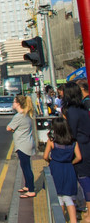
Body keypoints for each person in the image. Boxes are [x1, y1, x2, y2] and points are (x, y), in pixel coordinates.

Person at [43, 117, 82, 223]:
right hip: (69, 169)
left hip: (56, 168)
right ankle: (73, 220)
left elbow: (45, 156)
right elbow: (79, 157)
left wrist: (51, 161)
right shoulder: (73, 141)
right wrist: (70, 162)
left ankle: (61, 220)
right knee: (69, 198)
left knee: (58, 197)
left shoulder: (52, 141)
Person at [62, 80, 90, 221]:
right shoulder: (83, 108)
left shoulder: (72, 111)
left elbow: (71, 133)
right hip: (87, 145)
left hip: (81, 148)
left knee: (84, 179)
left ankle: (88, 213)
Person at [7, 95, 36, 198]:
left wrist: (13, 129)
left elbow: (9, 128)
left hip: (22, 145)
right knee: (25, 166)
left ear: (18, 104)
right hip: (27, 143)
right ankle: (27, 186)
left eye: (14, 102)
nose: (13, 104)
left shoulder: (19, 116)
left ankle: (31, 190)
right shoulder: (26, 114)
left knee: (26, 167)